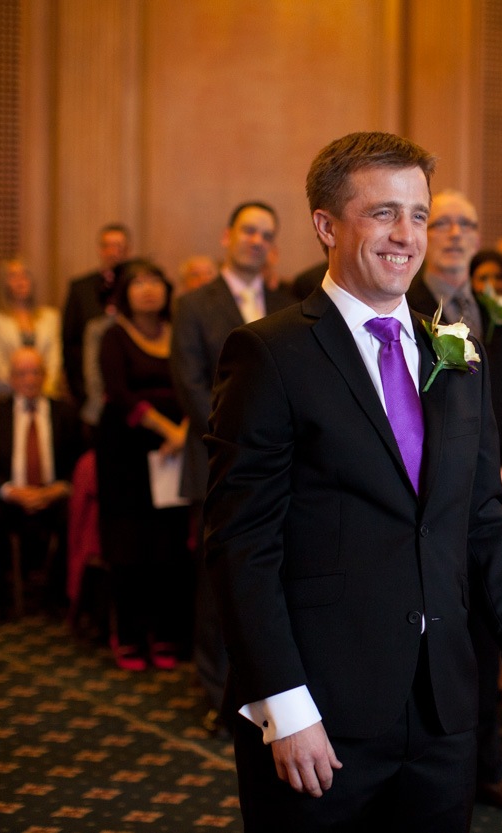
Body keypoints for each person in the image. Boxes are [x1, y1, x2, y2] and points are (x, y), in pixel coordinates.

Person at [204, 131, 502, 832]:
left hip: (444, 710)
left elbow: (481, 519)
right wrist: (285, 705)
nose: (407, 235)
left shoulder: (458, 352)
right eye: (383, 213)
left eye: (419, 215)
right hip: (320, 708)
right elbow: (240, 544)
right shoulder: (269, 353)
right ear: (326, 225)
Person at [404, 194, 502, 813]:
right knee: (436, 640)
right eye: (443, 222)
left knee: (489, 641)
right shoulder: (405, 305)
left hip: (496, 501)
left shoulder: (497, 313)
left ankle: (485, 768)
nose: (457, 233)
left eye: (468, 224)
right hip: (429, 508)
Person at [171, 202, 295, 733]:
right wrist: (241, 442)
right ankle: (216, 694)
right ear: (227, 236)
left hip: (284, 467)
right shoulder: (194, 304)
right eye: (248, 231)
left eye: (266, 234)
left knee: (272, 579)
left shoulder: (289, 303)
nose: (256, 241)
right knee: (218, 582)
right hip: (217, 461)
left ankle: (267, 687)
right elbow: (189, 384)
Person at [96, 259, 190, 672]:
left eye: (155, 281)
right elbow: (118, 393)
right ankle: (130, 635)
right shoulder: (114, 336)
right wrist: (168, 430)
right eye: (139, 282)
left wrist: (184, 431)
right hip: (126, 452)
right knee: (129, 546)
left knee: (168, 544)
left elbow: (195, 383)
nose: (148, 289)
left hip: (175, 451)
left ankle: (165, 633)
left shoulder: (179, 333)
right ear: (125, 292)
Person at [0, 347, 81, 620]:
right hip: (10, 497)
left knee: (77, 516)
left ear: (45, 376)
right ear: (12, 378)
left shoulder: (65, 412)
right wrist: (11, 492)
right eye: (22, 374)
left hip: (53, 496)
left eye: (35, 372)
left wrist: (59, 489)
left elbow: (79, 461)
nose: (30, 380)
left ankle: (57, 597)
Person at [62, 223, 130, 407]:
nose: (113, 252)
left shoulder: (135, 289)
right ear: (100, 250)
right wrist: (79, 390)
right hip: (89, 389)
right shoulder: (80, 288)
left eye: (119, 247)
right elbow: (70, 344)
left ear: (128, 250)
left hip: (130, 388)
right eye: (108, 246)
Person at [0, 258, 63, 398]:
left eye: (25, 274)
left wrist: (43, 390)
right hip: (8, 395)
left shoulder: (50, 316)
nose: (20, 280)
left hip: (44, 395)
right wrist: (17, 392)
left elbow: (53, 361)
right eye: (13, 276)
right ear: (4, 283)